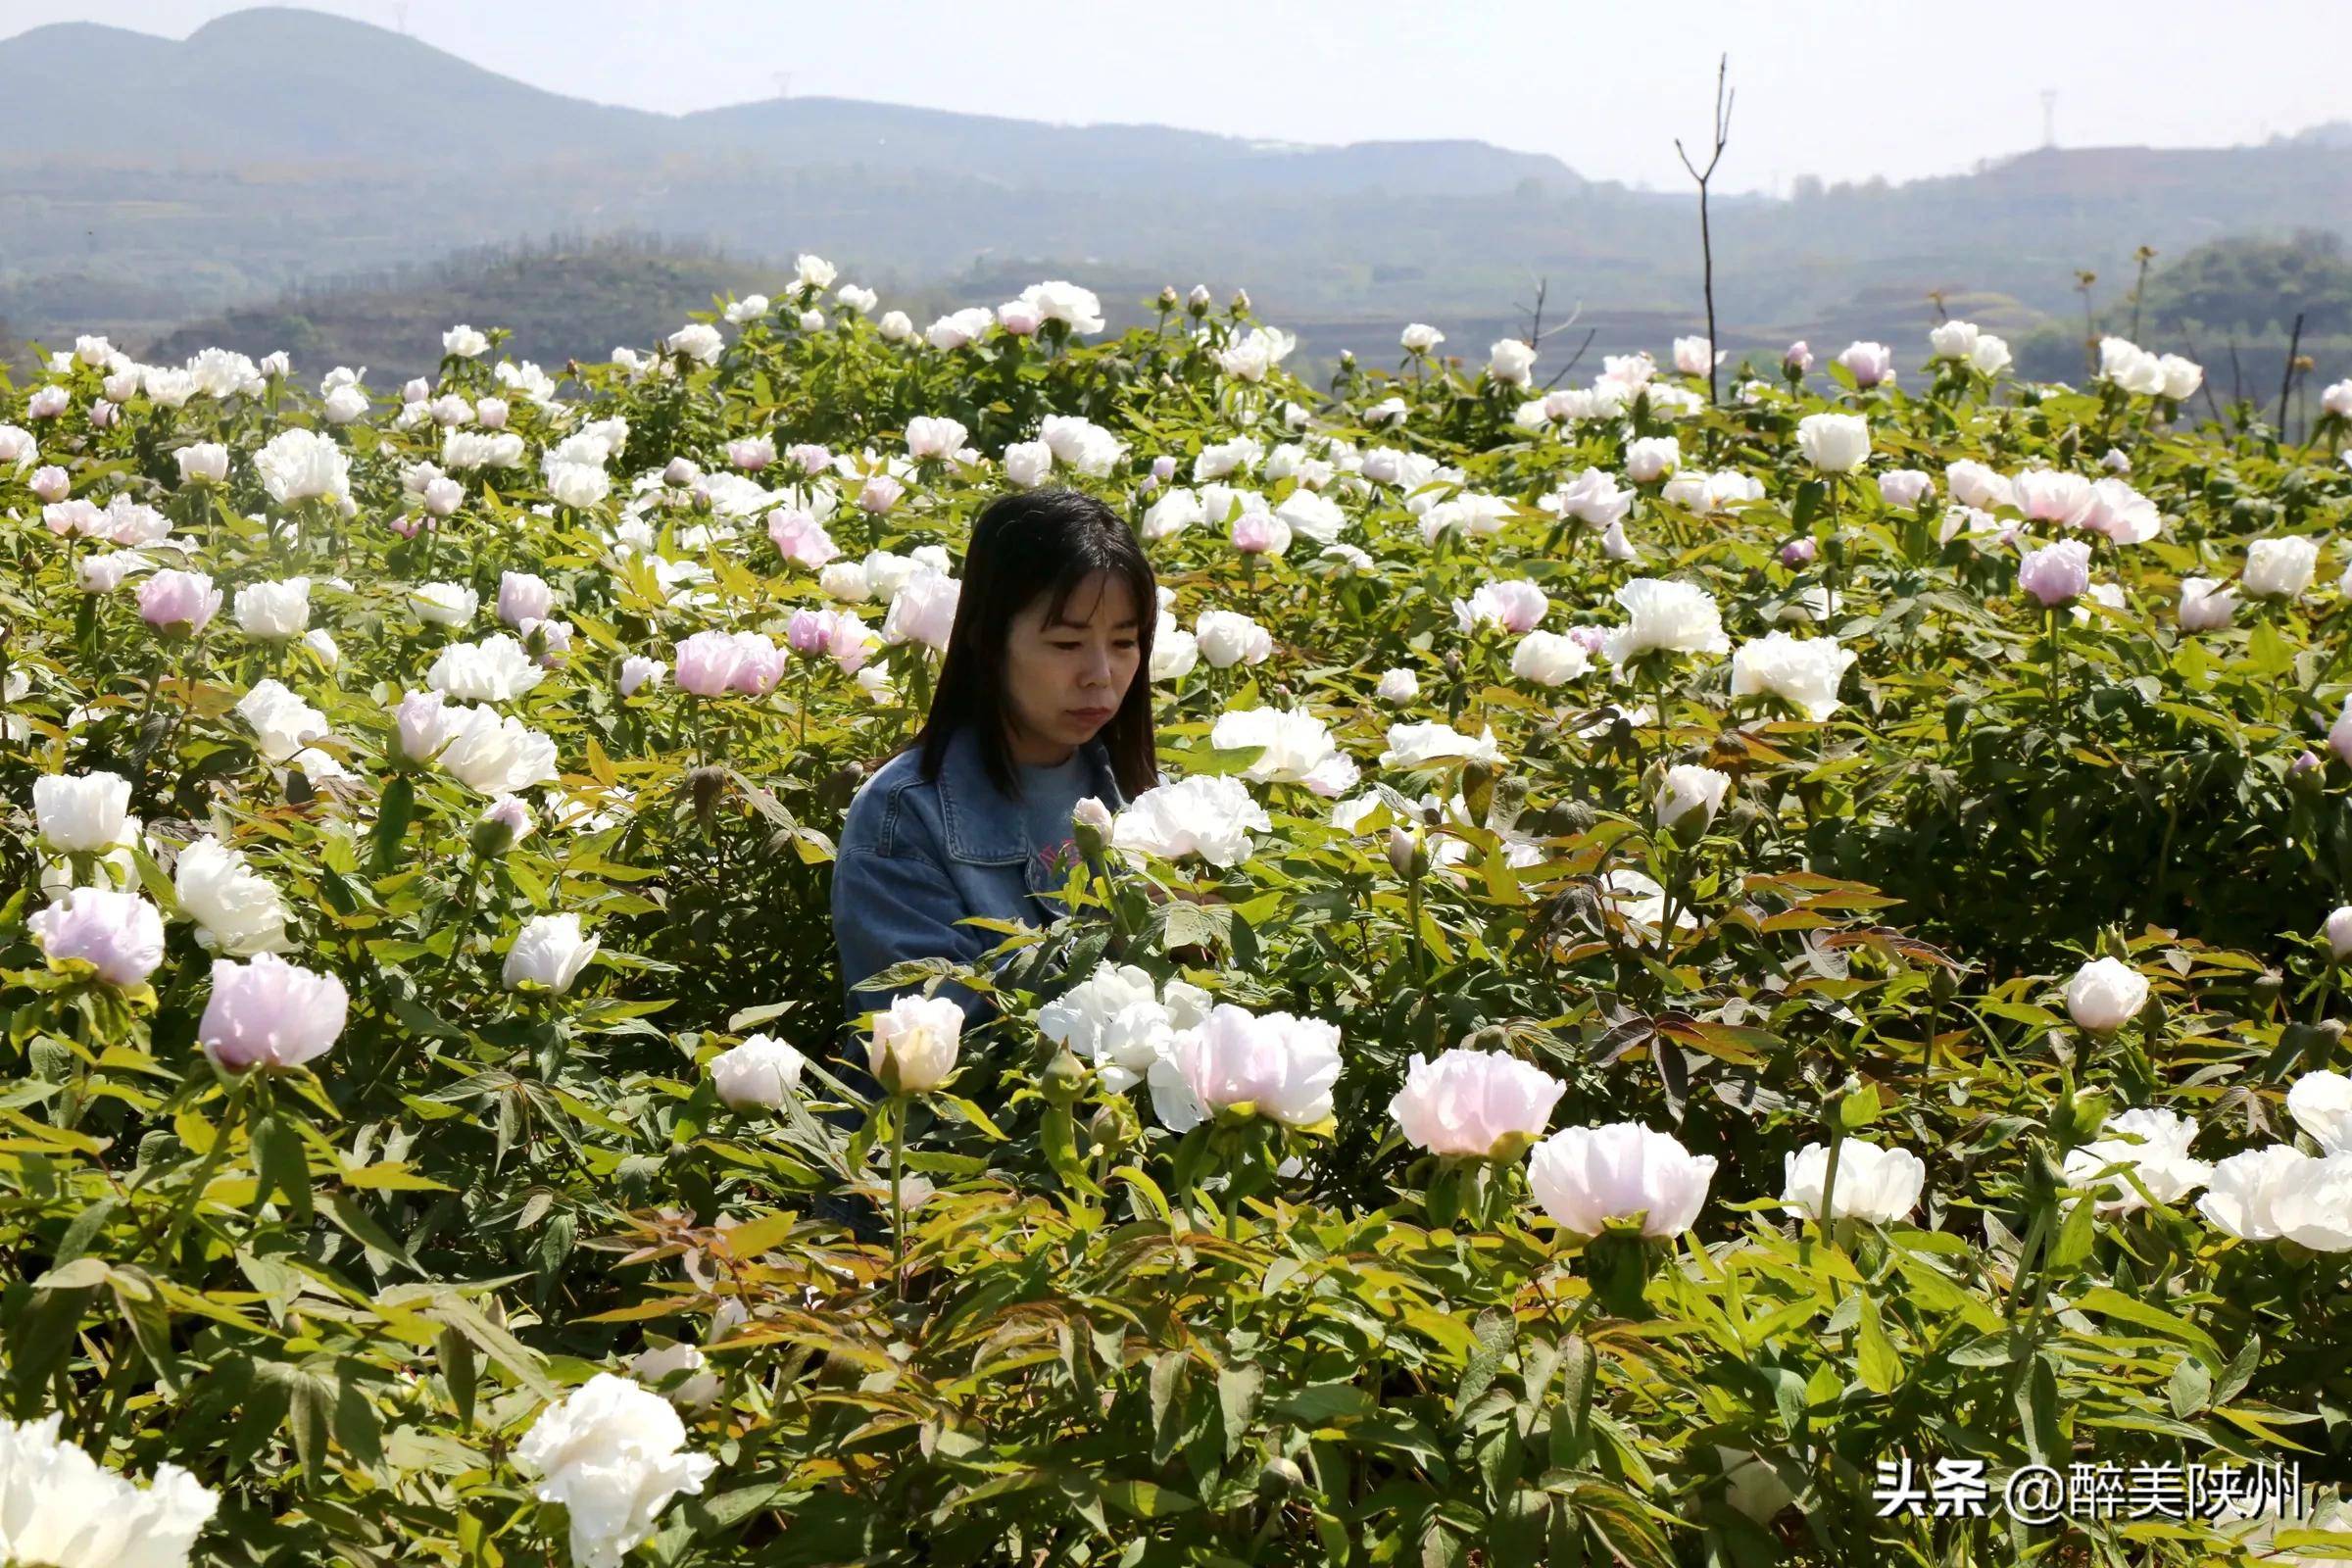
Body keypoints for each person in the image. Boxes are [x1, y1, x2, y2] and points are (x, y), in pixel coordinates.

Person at [830, 487, 1159, 1054]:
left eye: (1125, 642)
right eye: (1066, 642)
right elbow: (939, 1045)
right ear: (988, 641)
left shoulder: (1146, 799)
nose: (1101, 674)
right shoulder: (904, 816)